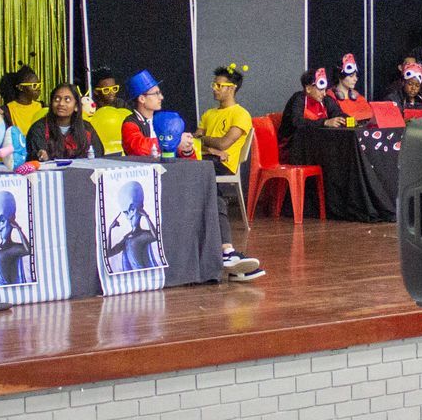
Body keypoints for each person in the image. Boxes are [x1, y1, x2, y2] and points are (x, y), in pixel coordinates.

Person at [197, 65, 263, 281]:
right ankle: (228, 254)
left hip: (222, 166)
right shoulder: (208, 114)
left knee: (213, 191)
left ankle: (227, 252)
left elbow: (225, 143)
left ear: (232, 88)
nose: (214, 89)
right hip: (204, 161)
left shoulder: (240, 114)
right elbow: (195, 140)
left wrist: (206, 142)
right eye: (214, 84)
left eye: (219, 85)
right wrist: (210, 147)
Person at [120, 70, 194, 160]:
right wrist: (174, 141)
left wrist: (187, 150)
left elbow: (189, 160)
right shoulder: (130, 124)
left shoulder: (164, 120)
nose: (161, 97)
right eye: (156, 93)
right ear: (142, 99)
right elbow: (138, 148)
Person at [28, 82, 103, 162]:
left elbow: (98, 154)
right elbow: (34, 156)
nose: (61, 103)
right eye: (57, 99)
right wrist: (41, 155)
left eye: (67, 99)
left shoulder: (86, 128)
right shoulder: (38, 129)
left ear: (76, 106)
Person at [278, 69, 332, 163]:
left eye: (325, 89)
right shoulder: (298, 99)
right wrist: (324, 122)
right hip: (293, 150)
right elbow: (297, 122)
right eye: (320, 89)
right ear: (308, 88)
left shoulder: (325, 100)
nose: (324, 93)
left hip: (314, 146)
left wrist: (345, 119)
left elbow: (337, 112)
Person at [87, 67, 130, 155]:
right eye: (106, 90)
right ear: (96, 92)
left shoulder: (121, 104)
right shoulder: (90, 107)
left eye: (114, 88)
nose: (111, 93)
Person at [1, 65, 47, 137]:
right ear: (21, 87)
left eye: (39, 85)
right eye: (34, 85)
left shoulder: (42, 106)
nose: (38, 89)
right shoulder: (7, 110)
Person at [330, 54, 374, 122]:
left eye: (356, 76)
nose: (355, 79)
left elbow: (370, 113)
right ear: (340, 76)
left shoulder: (357, 96)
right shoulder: (330, 97)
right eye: (351, 76)